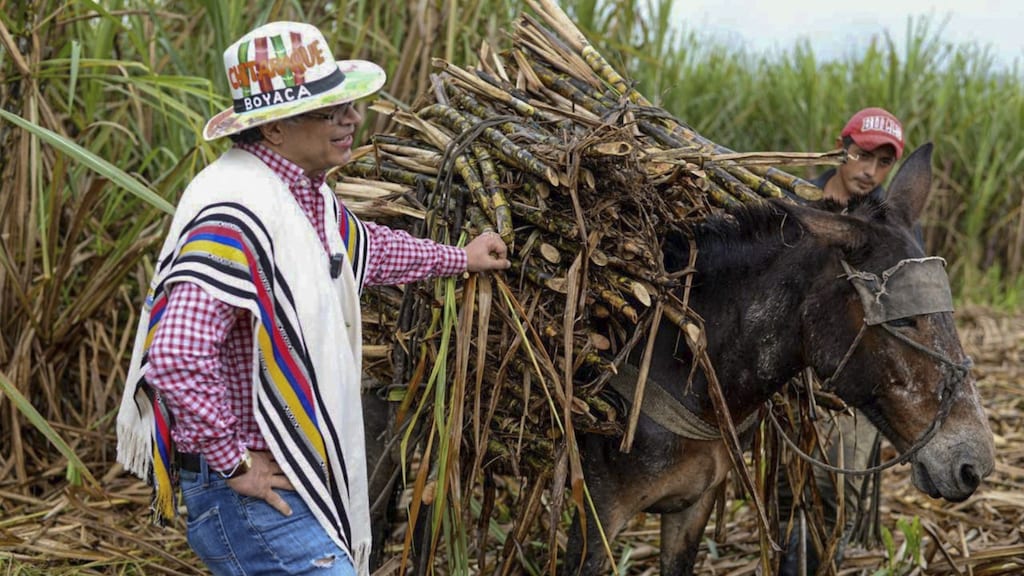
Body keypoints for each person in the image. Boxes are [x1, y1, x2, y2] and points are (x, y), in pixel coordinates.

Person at [115, 21, 510, 576]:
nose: (352, 119)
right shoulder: (236, 211)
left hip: (284, 476)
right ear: (275, 128)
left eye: (348, 105)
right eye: (330, 111)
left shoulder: (300, 195)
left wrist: (461, 258)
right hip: (251, 493)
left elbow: (366, 251)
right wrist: (234, 463)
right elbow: (177, 355)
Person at [779, 107, 905, 576]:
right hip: (791, 373)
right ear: (841, 147)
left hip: (856, 372)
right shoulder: (796, 201)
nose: (870, 171)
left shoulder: (892, 225)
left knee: (836, 487)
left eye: (884, 162)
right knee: (785, 489)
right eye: (862, 155)